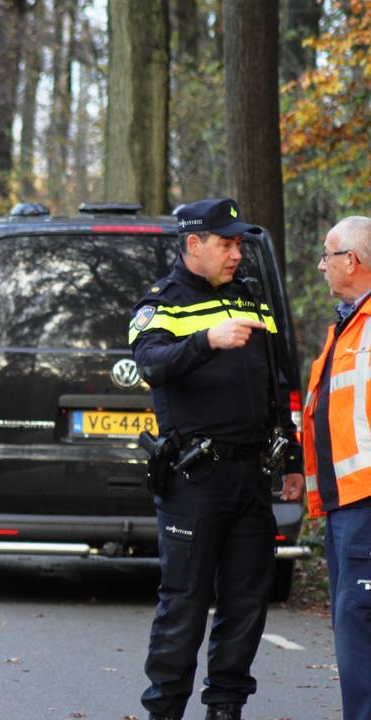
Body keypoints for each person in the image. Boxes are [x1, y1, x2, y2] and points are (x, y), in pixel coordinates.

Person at [129, 198, 305, 720]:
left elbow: (277, 383)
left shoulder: (251, 296)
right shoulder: (161, 303)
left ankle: (225, 708)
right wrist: (206, 340)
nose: (235, 253)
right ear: (193, 245)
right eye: (226, 243)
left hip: (251, 475)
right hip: (194, 479)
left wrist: (290, 457)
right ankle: (165, 711)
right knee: (184, 605)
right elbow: (150, 364)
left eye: (238, 244)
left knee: (247, 603)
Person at [302, 215, 371, 720]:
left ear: (354, 261)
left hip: (365, 502)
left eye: (329, 255)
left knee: (359, 621)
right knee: (352, 622)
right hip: (344, 502)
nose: (322, 265)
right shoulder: (348, 324)